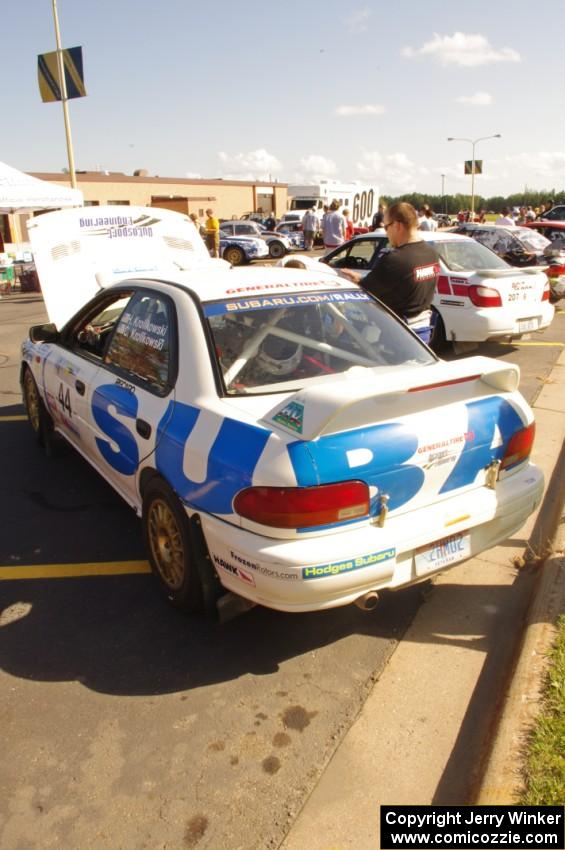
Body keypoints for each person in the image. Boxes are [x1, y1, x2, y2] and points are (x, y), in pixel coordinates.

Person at [338, 202, 440, 320]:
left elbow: (366, 292)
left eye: (386, 227)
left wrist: (357, 283)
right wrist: (361, 279)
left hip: (398, 330)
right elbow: (401, 283)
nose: (386, 233)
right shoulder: (432, 254)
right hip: (422, 330)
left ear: (397, 225)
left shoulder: (394, 259)